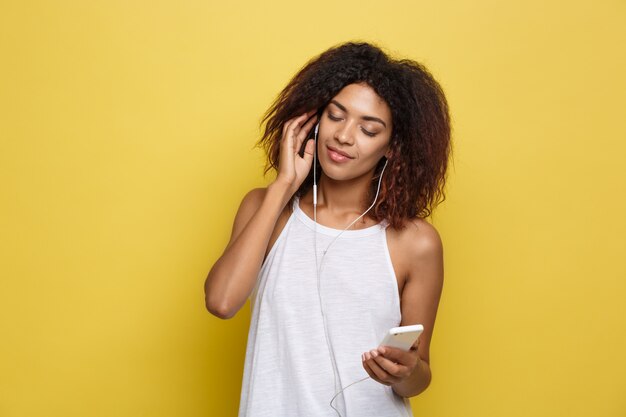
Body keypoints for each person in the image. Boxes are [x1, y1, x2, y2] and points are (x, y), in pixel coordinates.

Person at [205, 41, 451, 417]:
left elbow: (418, 376)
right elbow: (222, 303)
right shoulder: (266, 208)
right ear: (312, 120)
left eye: (369, 129)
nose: (344, 136)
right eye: (336, 116)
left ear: (391, 147)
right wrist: (283, 185)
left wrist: (404, 370)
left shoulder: (415, 242)